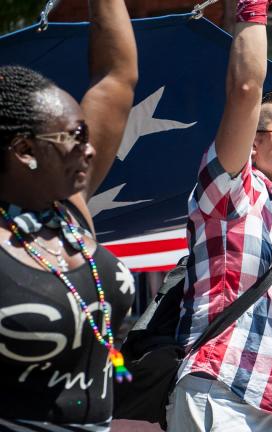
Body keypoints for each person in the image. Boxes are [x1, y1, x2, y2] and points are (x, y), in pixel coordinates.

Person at [168, 2, 272, 430]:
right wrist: (251, 12)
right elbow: (244, 89)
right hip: (221, 391)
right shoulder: (233, 193)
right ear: (252, 144)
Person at [0, 0, 138, 429]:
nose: (91, 148)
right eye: (74, 137)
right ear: (25, 151)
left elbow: (116, 77)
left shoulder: (68, 209)